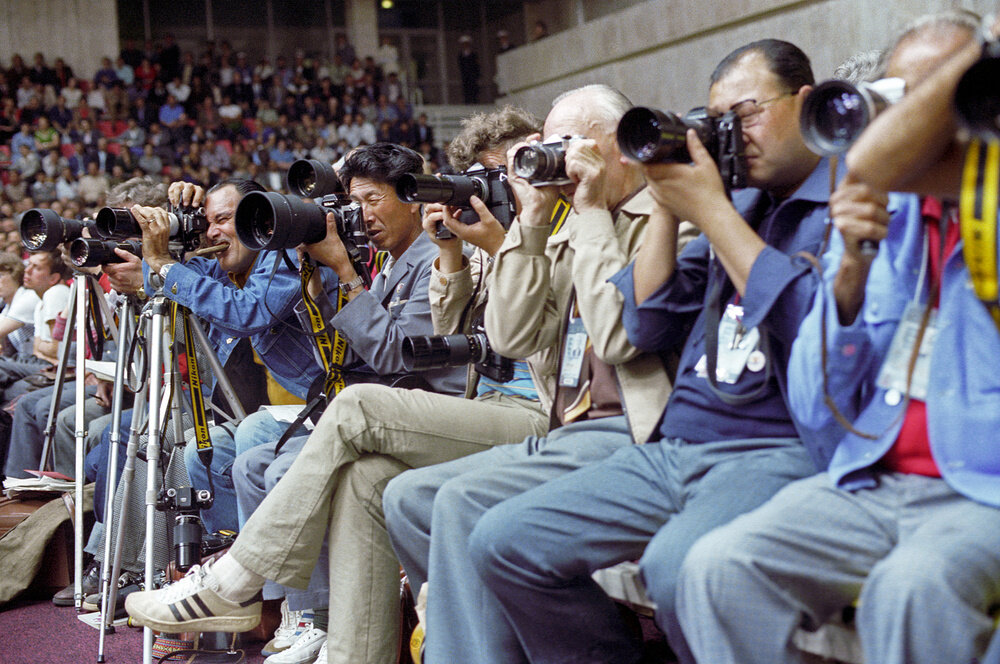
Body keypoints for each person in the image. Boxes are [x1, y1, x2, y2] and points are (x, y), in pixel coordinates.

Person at [676, 13, 1000, 664]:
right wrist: (851, 266)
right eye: (900, 99)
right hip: (872, 480)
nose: (920, 121)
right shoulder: (884, 215)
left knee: (909, 587)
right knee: (717, 567)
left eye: (939, 96)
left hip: (983, 489)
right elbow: (815, 406)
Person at [379, 83, 700, 664]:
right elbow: (511, 336)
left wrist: (593, 214)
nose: (555, 156)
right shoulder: (565, 223)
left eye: (569, 142)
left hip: (635, 430)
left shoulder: (668, 217)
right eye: (549, 144)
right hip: (565, 429)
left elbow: (619, 337)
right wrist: (528, 226)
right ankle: (501, 636)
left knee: (460, 503)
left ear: (621, 144)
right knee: (407, 497)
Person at [123, 142, 470, 656]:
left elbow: (394, 358)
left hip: (404, 406)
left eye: (372, 200)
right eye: (355, 203)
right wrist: (178, 233)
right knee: (251, 463)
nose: (361, 216)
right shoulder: (395, 261)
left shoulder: (429, 256)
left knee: (276, 459)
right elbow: (211, 288)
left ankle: (256, 592)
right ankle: (295, 612)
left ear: (414, 198)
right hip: (360, 401)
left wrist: (342, 271)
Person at [458, 36, 480, 105]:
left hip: (473, 76)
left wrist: (476, 75)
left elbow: (477, 65)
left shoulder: (473, 54)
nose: (465, 45)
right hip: (465, 76)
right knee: (466, 90)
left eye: (466, 44)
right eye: (463, 44)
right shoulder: (460, 55)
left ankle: (474, 102)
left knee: (473, 90)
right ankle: (467, 102)